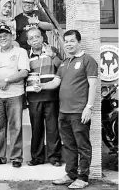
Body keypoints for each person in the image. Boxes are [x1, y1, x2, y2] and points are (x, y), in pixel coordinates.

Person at [34, 30, 98, 189]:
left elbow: (93, 85)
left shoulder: (87, 60)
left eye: (72, 41)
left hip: (79, 112)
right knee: (69, 145)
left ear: (78, 42)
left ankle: (83, 177)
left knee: (82, 145)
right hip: (63, 112)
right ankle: (71, 174)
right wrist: (41, 86)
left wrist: (89, 107)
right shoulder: (64, 63)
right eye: (66, 42)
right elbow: (55, 83)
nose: (68, 44)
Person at [0, 25, 29, 168]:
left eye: (5, 36)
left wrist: (7, 80)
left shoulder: (21, 52)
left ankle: (16, 157)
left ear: (12, 36)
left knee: (15, 127)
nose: (2, 38)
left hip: (15, 94)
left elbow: (23, 72)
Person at [26, 28, 62, 167]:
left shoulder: (51, 50)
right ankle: (37, 158)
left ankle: (54, 157)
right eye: (32, 38)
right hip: (34, 97)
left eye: (37, 37)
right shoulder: (25, 55)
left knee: (53, 128)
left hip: (51, 95)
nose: (35, 40)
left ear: (42, 38)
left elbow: (62, 67)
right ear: (28, 41)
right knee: (36, 128)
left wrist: (53, 56)